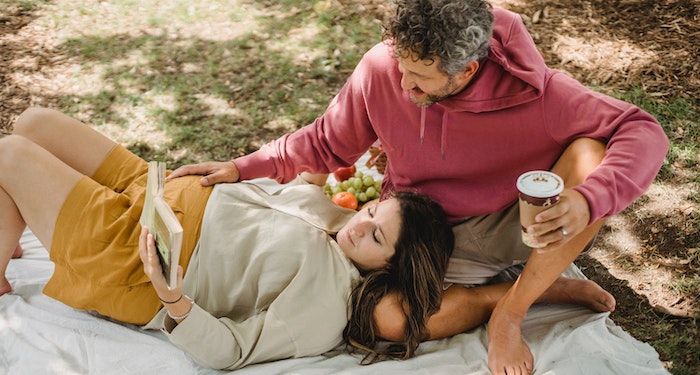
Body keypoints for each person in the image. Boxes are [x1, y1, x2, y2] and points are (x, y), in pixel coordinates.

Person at [165, 1, 669, 374]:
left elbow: (642, 129)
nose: (403, 86)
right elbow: (325, 142)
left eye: (421, 79)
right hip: (413, 225)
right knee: (387, 320)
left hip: (502, 225)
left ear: (468, 69)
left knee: (592, 158)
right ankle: (527, 290)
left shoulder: (543, 95)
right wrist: (242, 166)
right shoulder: (386, 65)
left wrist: (589, 198)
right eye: (401, 67)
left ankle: (511, 313)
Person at [0, 108, 456, 370]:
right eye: (373, 211)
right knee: (32, 123)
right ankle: (10, 228)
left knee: (10, 155)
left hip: (134, 256)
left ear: (390, 268)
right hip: (151, 188)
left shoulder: (326, 305)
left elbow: (233, 351)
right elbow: (303, 180)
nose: (360, 225)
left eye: (376, 236)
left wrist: (173, 300)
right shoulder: (338, 222)